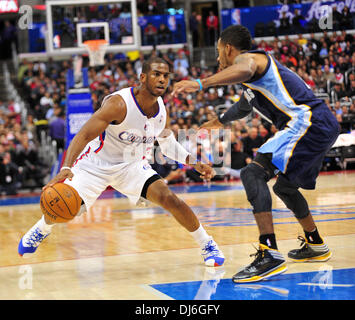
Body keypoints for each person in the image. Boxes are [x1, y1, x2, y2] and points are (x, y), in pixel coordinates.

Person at [18, 57, 225, 268]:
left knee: (169, 198)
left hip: (132, 166)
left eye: (165, 76)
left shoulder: (161, 109)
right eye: (156, 74)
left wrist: (194, 162)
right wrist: (66, 167)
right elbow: (84, 134)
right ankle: (42, 228)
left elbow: (166, 143)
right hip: (95, 165)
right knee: (67, 206)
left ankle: (207, 243)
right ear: (143, 77)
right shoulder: (118, 104)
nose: (162, 80)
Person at [172, 25, 339, 283]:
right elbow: (244, 105)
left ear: (228, 48)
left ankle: (269, 252)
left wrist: (200, 83)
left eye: (219, 52)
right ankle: (315, 243)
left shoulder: (250, 60)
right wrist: (220, 121)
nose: (218, 58)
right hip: (318, 124)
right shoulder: (252, 81)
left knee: (252, 172)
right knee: (285, 188)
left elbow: (245, 68)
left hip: (307, 122)